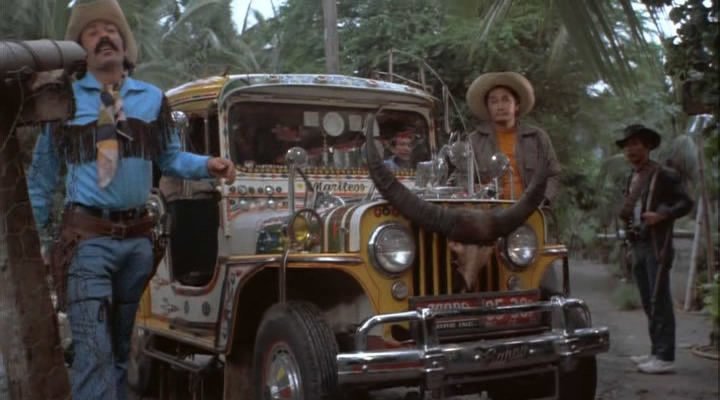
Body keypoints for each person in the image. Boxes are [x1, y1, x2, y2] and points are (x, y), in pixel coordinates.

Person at [26, 1, 235, 398]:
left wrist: (209, 164)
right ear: (80, 51)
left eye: (111, 30)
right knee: (94, 352)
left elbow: (170, 159)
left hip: (138, 242)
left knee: (121, 350)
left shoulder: (152, 99)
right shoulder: (63, 102)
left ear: (124, 43)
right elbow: (42, 177)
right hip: (87, 241)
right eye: (93, 32)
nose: (105, 36)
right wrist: (33, 241)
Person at [616, 124, 692, 374]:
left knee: (659, 300)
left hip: (657, 244)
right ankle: (655, 351)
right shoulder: (632, 177)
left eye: (635, 144)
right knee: (649, 300)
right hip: (638, 243)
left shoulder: (664, 174)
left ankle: (665, 356)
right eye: (627, 146)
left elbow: (686, 203)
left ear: (647, 146)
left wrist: (661, 215)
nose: (630, 150)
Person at [465, 71, 561, 202]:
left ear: (516, 105)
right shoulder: (475, 141)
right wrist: (475, 190)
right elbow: (462, 178)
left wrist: (542, 201)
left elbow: (553, 174)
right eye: (494, 102)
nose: (500, 107)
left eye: (506, 100)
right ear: (488, 107)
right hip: (489, 211)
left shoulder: (536, 137)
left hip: (531, 209)